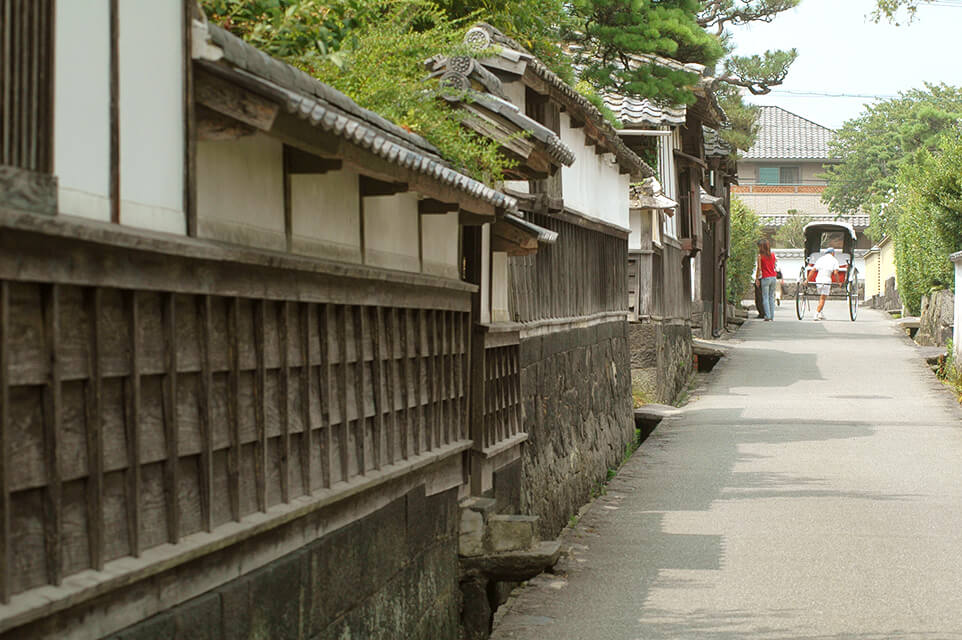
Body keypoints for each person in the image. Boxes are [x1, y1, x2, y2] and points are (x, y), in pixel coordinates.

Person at [813, 247, 840, 321]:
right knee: (823, 298)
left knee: (821, 297)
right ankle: (816, 313)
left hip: (818, 279)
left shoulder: (820, 259)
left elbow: (813, 270)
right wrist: (838, 282)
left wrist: (807, 280)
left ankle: (821, 313)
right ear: (832, 253)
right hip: (826, 279)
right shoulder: (834, 260)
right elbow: (835, 273)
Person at [755, 238, 778, 321]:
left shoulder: (760, 256)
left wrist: (757, 279)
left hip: (765, 277)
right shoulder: (773, 255)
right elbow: (774, 265)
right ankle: (771, 316)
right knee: (771, 297)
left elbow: (759, 268)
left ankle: (767, 315)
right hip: (773, 277)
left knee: (765, 297)